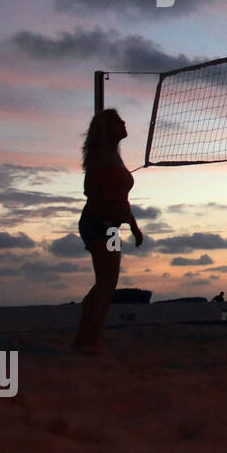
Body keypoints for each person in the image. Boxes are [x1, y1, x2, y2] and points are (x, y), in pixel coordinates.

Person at [74, 109, 143, 353]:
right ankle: (83, 340)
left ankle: (92, 338)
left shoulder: (115, 155)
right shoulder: (101, 156)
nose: (124, 122)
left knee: (108, 283)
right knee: (104, 283)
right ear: (107, 128)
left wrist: (133, 225)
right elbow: (89, 190)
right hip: (98, 223)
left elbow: (121, 198)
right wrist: (111, 212)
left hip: (112, 226)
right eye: (118, 120)